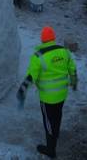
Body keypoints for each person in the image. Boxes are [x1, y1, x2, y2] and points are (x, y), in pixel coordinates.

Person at [17, 26, 77, 158]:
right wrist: (74, 81)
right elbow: (72, 68)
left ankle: (51, 149)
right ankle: (55, 134)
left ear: (42, 40)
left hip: (47, 98)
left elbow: (31, 76)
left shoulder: (38, 56)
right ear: (53, 38)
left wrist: (22, 89)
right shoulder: (64, 51)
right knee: (57, 115)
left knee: (48, 122)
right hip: (62, 94)